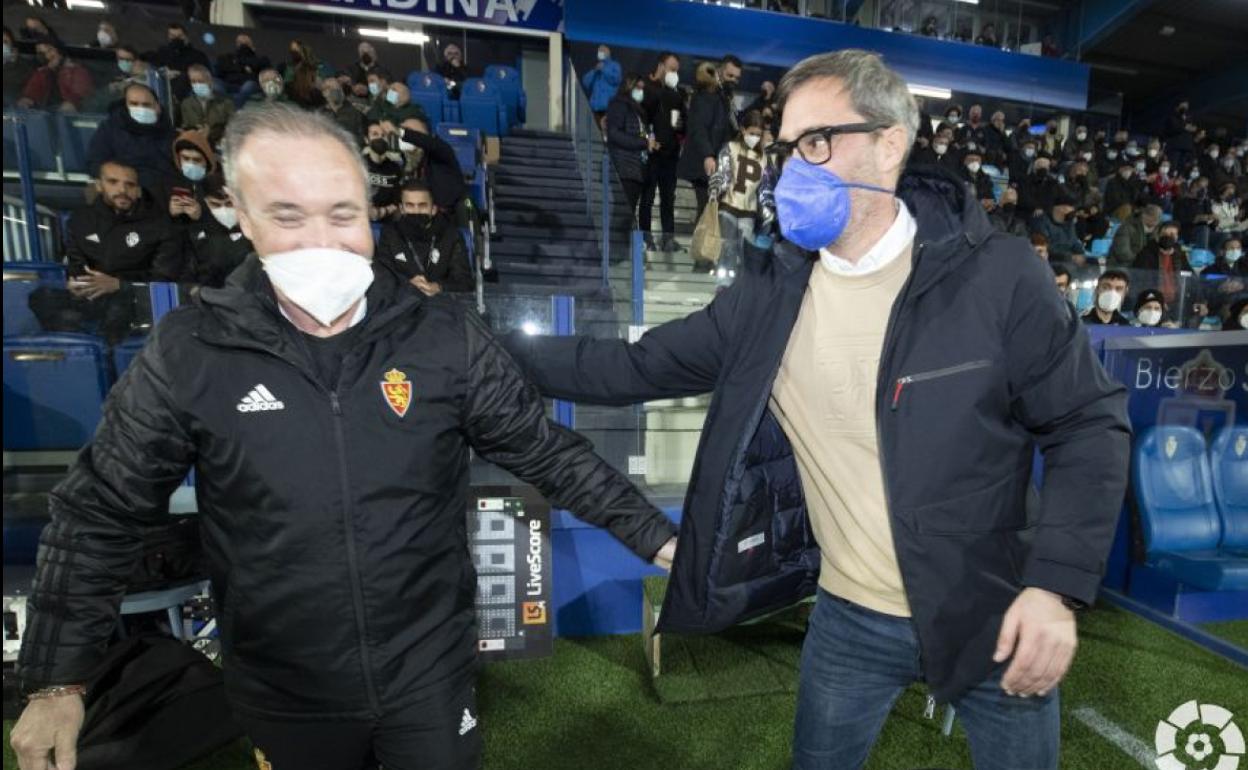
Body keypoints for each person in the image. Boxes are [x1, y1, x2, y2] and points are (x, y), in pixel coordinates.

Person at [504, 50, 1129, 770]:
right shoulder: (768, 296)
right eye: (784, 148)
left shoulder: (999, 277)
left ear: (889, 143)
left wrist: (1054, 586)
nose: (790, 168)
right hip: (847, 622)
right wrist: (477, 346)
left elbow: (1089, 425)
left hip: (992, 616)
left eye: (814, 143)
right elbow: (627, 367)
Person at [9, 103, 676, 770]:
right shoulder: (190, 350)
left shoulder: (443, 335)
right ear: (242, 216)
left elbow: (547, 450)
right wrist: (58, 680)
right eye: (287, 215)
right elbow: (100, 508)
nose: (321, 241)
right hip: (284, 688)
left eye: (342, 214)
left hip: (429, 672)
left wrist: (657, 535)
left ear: (371, 211)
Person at [28, 159, 184, 343]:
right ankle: (80, 351)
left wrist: (119, 285)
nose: (122, 190)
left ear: (138, 190)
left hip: (135, 299)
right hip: (93, 296)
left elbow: (164, 280)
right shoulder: (81, 220)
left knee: (118, 309)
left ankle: (113, 359)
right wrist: (76, 282)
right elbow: (75, 262)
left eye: (130, 185)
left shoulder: (159, 225)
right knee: (41, 298)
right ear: (99, 185)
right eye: (113, 182)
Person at [375, 180, 475, 294]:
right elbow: (383, 275)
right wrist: (408, 284)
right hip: (401, 300)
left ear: (433, 209)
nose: (416, 211)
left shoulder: (451, 235)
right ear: (401, 209)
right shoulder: (390, 233)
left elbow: (464, 281)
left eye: (422, 206)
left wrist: (438, 286)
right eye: (410, 206)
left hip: (442, 303)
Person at [707, 110, 771, 282]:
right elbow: (724, 173)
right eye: (752, 133)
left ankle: (740, 288)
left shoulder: (764, 158)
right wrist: (716, 188)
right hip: (728, 206)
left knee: (745, 253)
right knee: (727, 248)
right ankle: (723, 287)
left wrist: (768, 213)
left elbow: (765, 188)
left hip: (748, 211)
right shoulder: (730, 148)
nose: (755, 137)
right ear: (743, 130)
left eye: (758, 134)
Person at [678, 57, 741, 225]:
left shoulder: (724, 99)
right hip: (705, 165)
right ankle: (701, 249)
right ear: (719, 72)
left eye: (736, 78)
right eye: (730, 75)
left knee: (712, 210)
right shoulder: (706, 96)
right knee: (707, 209)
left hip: (718, 164)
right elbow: (699, 128)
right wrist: (708, 155)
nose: (733, 80)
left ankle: (706, 248)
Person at [87, 83, 177, 191]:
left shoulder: (169, 133)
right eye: (134, 104)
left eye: (146, 105)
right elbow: (95, 164)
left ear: (157, 107)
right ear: (126, 105)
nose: (140, 109)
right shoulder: (109, 128)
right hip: (121, 188)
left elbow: (173, 169)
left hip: (160, 191)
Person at [640, 51, 685, 254]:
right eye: (671, 69)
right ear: (660, 67)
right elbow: (640, 117)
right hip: (651, 154)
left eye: (676, 71)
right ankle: (645, 238)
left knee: (668, 198)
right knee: (647, 198)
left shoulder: (676, 94)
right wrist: (647, 138)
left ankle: (668, 239)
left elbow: (681, 123)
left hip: (670, 155)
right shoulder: (646, 88)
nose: (674, 74)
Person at [384, 117, 468, 223]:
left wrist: (401, 132)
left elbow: (431, 144)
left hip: (447, 219)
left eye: (410, 131)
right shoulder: (406, 160)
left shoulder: (442, 151)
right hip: (415, 216)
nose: (406, 138)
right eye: (404, 129)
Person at [606, 74, 655, 228]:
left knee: (628, 212)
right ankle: (616, 248)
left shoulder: (638, 111)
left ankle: (622, 247)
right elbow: (614, 133)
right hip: (624, 167)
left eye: (643, 88)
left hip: (636, 168)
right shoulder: (619, 105)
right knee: (623, 213)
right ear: (629, 87)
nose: (641, 91)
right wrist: (643, 142)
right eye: (638, 88)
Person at [187, 172, 253, 289]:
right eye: (215, 204)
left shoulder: (256, 230)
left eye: (229, 203)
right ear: (204, 202)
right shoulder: (197, 233)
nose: (223, 210)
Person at [153, 130, 218, 227]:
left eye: (197, 160)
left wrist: (202, 215)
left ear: (207, 160)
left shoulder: (217, 184)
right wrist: (170, 213)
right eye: (185, 158)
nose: (191, 164)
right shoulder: (166, 183)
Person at [18, 40, 95, 112]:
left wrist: (64, 71)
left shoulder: (78, 71)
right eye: (42, 53)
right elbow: (31, 93)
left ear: (59, 50)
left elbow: (79, 98)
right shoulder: (42, 73)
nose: (48, 55)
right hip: (43, 114)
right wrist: (26, 101)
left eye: (50, 50)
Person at [1134, 220, 1193, 307]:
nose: (1169, 237)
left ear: (1177, 237)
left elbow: (1191, 275)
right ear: (1158, 235)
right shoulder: (1146, 253)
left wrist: (1201, 301)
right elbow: (1140, 282)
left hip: (1177, 302)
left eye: (1173, 235)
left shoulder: (1180, 254)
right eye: (1166, 234)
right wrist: (1156, 300)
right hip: (1153, 302)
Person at [148, 22, 210, 102]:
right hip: (164, 83)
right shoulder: (162, 52)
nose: (176, 39)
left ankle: (174, 102)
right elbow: (154, 68)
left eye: (180, 36)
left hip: (187, 85)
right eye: (173, 36)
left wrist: (179, 74)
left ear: (186, 37)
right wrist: (164, 72)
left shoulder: (198, 55)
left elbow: (204, 73)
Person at [180, 64, 235, 148]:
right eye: (193, 81)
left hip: (220, 145)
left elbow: (233, 126)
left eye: (201, 81)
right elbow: (186, 126)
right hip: (196, 145)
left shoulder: (226, 102)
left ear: (209, 81)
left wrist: (211, 132)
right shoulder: (186, 104)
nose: (197, 85)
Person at [364, 120, 404, 223]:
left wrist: (381, 212)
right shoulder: (357, 164)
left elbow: (397, 202)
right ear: (366, 140)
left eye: (384, 135)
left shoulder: (395, 168)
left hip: (387, 223)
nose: (380, 138)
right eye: (375, 134)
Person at [217, 33, 270, 108]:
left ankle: (235, 109)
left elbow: (265, 73)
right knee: (216, 83)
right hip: (229, 83)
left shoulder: (260, 59)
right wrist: (244, 68)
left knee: (248, 85)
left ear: (251, 44)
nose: (243, 46)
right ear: (236, 44)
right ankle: (223, 107)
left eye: (245, 43)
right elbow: (221, 71)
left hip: (248, 84)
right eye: (240, 43)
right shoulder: (228, 57)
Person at [1108, 203, 1162, 267]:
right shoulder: (1126, 228)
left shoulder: (1157, 231)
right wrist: (1141, 260)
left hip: (1143, 267)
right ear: (1144, 215)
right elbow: (1122, 253)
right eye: (1154, 217)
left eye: (1158, 218)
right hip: (1122, 265)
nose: (1156, 220)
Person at [582, 44, 621, 125]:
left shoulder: (614, 65)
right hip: (595, 108)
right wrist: (594, 71)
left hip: (608, 107)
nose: (600, 52)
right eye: (599, 51)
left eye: (603, 51)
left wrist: (604, 70)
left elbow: (616, 80)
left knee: (607, 130)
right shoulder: (596, 67)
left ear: (608, 52)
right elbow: (586, 83)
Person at [320, 79, 366, 143]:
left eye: (337, 87)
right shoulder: (320, 114)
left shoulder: (355, 111)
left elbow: (361, 135)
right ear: (323, 93)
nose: (334, 90)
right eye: (329, 88)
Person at [1210, 181, 1247, 251]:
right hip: (1220, 231)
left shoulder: (1234, 206)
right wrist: (1235, 219)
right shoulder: (1216, 204)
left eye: (1232, 194)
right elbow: (1219, 223)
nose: (1231, 196)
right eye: (1228, 193)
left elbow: (1236, 224)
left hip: (1232, 229)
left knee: (1241, 232)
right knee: (1233, 234)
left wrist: (1241, 221)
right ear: (1222, 192)